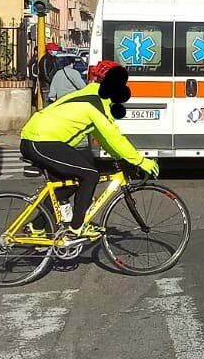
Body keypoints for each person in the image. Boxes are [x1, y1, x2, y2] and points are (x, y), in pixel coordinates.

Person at [20, 63, 158, 234]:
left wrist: (118, 157)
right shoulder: (95, 103)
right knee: (90, 175)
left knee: (70, 183)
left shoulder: (92, 96)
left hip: (38, 139)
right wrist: (140, 161)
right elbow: (114, 136)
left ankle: (36, 226)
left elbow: (103, 136)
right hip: (41, 141)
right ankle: (77, 227)